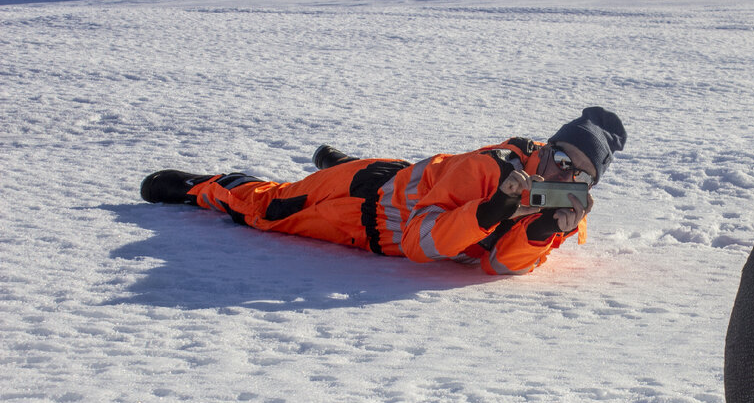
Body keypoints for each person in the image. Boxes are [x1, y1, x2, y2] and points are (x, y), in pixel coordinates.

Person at [140, 107, 626, 275]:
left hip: (401, 181)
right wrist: (490, 211)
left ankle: (340, 160)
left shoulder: (564, 208)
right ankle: (203, 187)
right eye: (562, 159)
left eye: (580, 175)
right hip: (359, 202)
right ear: (546, 147)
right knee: (265, 208)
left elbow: (496, 265)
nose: (565, 176)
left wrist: (539, 232)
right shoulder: (487, 172)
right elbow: (419, 243)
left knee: (400, 174)